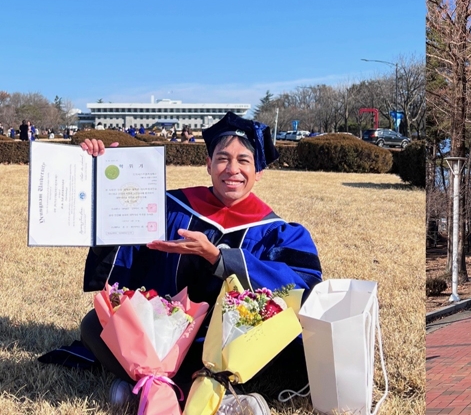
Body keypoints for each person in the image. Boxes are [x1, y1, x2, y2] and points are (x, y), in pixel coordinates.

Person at [78, 111, 323, 410]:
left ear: (258, 171)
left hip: (232, 348)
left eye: (244, 160)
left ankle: (145, 388)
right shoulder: (168, 207)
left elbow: (304, 289)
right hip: (166, 339)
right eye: (222, 158)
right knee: (94, 325)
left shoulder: (278, 233)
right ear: (208, 164)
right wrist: (104, 175)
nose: (232, 169)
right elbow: (119, 242)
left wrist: (220, 258)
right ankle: (210, 398)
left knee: (292, 353)